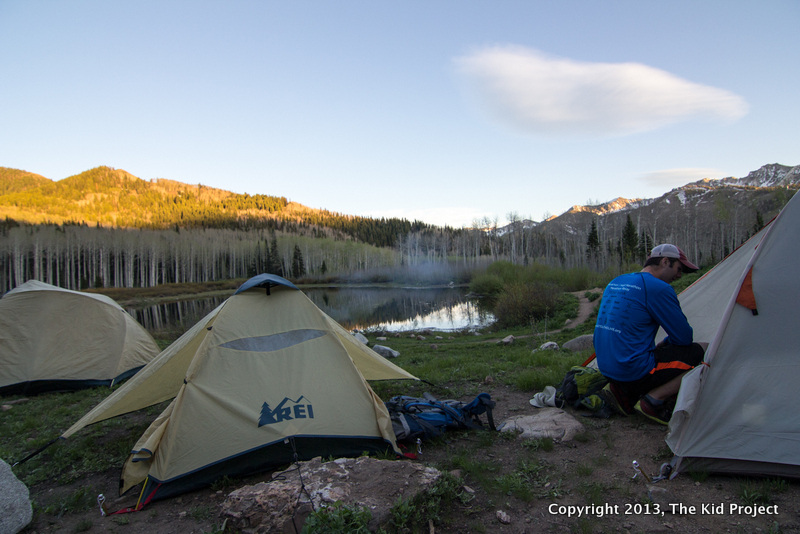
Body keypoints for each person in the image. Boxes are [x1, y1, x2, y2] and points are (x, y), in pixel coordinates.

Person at [594, 244, 706, 424]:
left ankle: (621, 391)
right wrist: (668, 342)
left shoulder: (616, 281)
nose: (679, 275)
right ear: (665, 261)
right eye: (679, 269)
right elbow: (684, 338)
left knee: (657, 349)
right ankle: (653, 400)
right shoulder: (658, 288)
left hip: (606, 367)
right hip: (632, 370)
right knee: (703, 350)